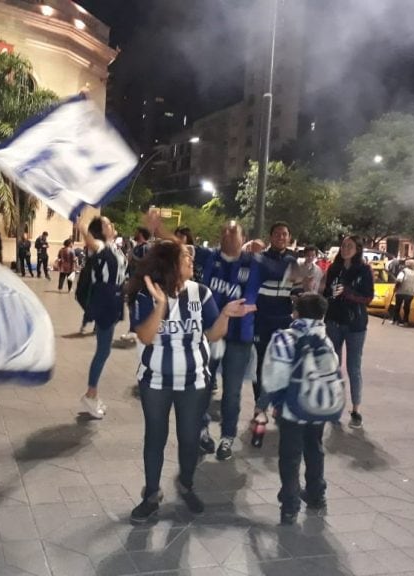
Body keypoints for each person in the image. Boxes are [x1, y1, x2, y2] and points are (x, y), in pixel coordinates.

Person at [127, 240, 255, 523]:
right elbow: (146, 337)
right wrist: (161, 305)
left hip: (194, 380)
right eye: (185, 256)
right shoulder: (146, 294)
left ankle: (186, 484)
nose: (191, 260)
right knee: (155, 438)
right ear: (170, 263)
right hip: (155, 380)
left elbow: (212, 335)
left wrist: (225, 315)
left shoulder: (201, 293)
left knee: (189, 438)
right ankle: (150, 494)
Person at [261, 293, 334, 525]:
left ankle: (290, 505)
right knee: (315, 448)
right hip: (318, 407)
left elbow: (274, 376)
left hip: (292, 409)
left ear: (296, 313)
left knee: (290, 456)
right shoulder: (326, 339)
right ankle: (316, 495)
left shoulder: (284, 339)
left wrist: (270, 404)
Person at [194, 221, 263, 461]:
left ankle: (227, 436)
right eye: (223, 230)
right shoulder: (209, 256)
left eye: (233, 231)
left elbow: (287, 269)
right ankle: (201, 431)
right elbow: (178, 243)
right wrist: (158, 228)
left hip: (239, 337)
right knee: (202, 386)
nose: (227, 234)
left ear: (244, 237)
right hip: (210, 333)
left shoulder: (254, 263)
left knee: (232, 392)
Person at [322, 235, 374, 429]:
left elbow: (368, 297)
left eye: (349, 246)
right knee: (333, 365)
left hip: (355, 325)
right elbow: (326, 292)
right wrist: (327, 294)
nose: (345, 249)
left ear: (357, 249)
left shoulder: (364, 270)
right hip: (334, 321)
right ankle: (334, 405)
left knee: (354, 367)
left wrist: (348, 293)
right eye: (343, 246)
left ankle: (356, 409)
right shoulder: (334, 268)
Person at [79, 216, 126, 418]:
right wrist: (81, 225)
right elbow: (90, 241)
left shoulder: (114, 247)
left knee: (104, 350)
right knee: (103, 351)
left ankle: (92, 394)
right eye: (107, 223)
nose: (111, 224)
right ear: (99, 231)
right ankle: (90, 394)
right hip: (105, 302)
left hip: (114, 301)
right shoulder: (99, 245)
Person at [254, 222, 299, 410]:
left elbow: (297, 289)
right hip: (262, 320)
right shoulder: (260, 259)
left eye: (285, 234)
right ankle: (260, 404)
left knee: (282, 363)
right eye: (277, 234)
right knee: (261, 364)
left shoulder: (292, 261)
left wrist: (296, 311)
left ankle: (278, 404)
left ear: (289, 238)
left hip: (284, 320)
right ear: (270, 237)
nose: (281, 237)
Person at [392, 259, 414, 326]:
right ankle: (405, 321)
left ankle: (396, 320)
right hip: (411, 292)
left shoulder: (404, 272)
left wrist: (395, 288)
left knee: (397, 306)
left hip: (401, 291)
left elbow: (399, 280)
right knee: (407, 307)